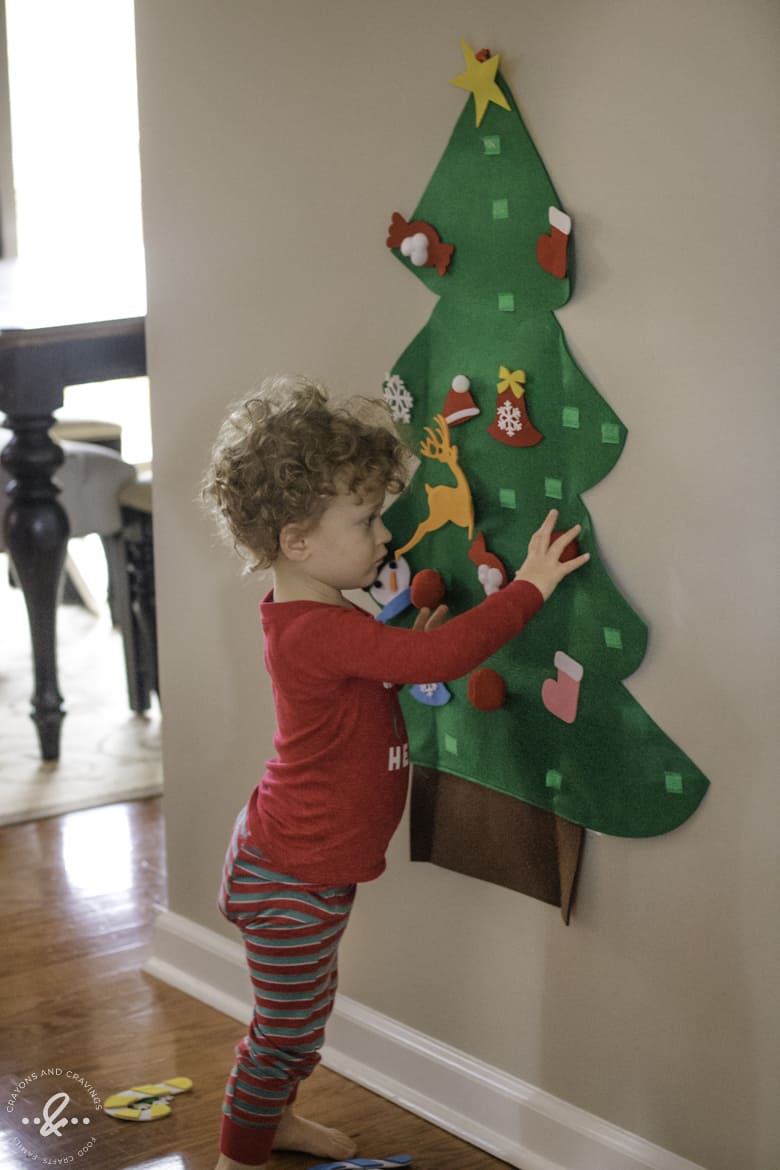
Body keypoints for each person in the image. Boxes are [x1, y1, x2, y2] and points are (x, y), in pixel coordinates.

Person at [202, 373, 589, 1170]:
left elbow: (392, 669)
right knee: (283, 1033)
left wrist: (404, 661)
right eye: (368, 519)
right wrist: (529, 588)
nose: (386, 535)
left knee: (301, 1022)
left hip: (303, 862)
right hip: (291, 875)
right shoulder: (314, 631)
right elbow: (433, 657)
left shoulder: (320, 616)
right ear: (296, 541)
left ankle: (272, 1122)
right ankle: (237, 1157)